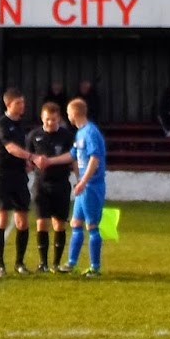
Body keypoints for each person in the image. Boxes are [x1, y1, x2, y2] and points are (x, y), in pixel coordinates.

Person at [27, 101, 76, 272]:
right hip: (41, 185)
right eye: (47, 119)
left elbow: (73, 158)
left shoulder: (66, 136)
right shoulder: (34, 136)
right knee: (42, 223)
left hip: (61, 184)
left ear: (59, 119)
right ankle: (43, 263)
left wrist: (79, 178)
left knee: (59, 224)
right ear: (42, 118)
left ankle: (56, 262)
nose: (50, 122)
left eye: (54, 119)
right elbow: (28, 158)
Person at [0, 89, 34, 277]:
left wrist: (28, 163)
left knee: (22, 220)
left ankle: (19, 263)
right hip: (2, 174)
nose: (22, 106)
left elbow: (22, 149)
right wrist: (32, 157)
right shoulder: (0, 123)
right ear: (8, 104)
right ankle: (0, 265)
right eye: (18, 103)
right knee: (1, 217)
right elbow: (10, 148)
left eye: (23, 103)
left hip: (19, 175)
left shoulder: (22, 125)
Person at [64, 97, 107, 276]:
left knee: (91, 225)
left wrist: (83, 181)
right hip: (84, 186)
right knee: (75, 222)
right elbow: (72, 156)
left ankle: (95, 268)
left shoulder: (90, 132)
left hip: (92, 186)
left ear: (74, 113)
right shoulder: (80, 133)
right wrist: (47, 161)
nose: (67, 116)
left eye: (68, 112)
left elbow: (94, 159)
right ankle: (71, 263)